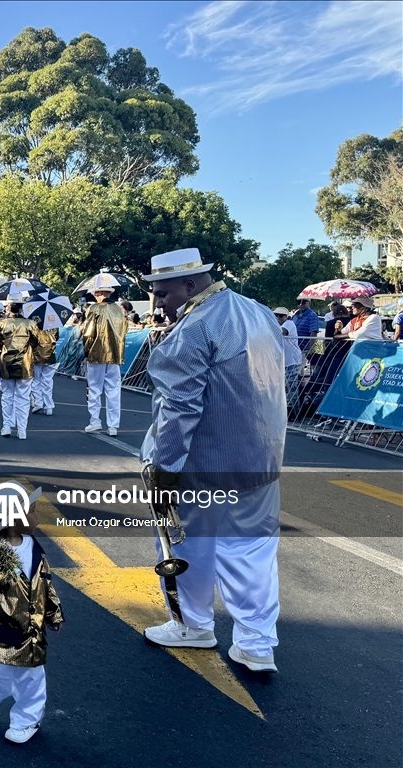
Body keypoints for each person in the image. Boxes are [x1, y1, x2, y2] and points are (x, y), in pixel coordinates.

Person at [141, 247, 286, 673]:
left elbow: (179, 410)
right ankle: (257, 645)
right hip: (261, 459)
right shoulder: (257, 311)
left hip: (203, 466)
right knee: (253, 553)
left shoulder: (193, 330)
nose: (158, 304)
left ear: (190, 284)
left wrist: (165, 471)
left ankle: (193, 626)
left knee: (187, 545)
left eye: (163, 294)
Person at [0, 503, 62, 744]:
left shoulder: (35, 547)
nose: (37, 517)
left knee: (31, 681)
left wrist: (53, 613)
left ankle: (25, 721)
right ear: (13, 518)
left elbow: (45, 583)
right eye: (32, 511)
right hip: (3, 629)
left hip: (33, 631)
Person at [0, 294, 41, 440]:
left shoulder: (1, 324)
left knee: (7, 396)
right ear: (22, 307)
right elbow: (36, 342)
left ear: (8, 306)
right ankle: (22, 430)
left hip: (6, 363)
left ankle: (6, 426)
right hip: (25, 364)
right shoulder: (31, 324)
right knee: (23, 398)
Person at [82, 286, 128, 436]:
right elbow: (125, 330)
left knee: (95, 388)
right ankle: (113, 425)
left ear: (99, 294)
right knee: (114, 389)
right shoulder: (120, 310)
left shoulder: (94, 309)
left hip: (96, 353)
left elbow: (88, 333)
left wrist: (86, 350)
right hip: (115, 353)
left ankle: (95, 420)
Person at [274, 307, 302, 415]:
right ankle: (284, 412)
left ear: (286, 317)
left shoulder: (289, 323)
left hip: (292, 361)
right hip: (282, 361)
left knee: (292, 388)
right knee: (282, 388)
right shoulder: (276, 326)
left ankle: (295, 413)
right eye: (276, 315)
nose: (278, 318)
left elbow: (283, 332)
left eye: (281, 316)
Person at [30, 316, 58, 416]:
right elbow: (56, 337)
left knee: (35, 380)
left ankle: (38, 402)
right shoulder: (54, 322)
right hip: (50, 355)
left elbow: (32, 340)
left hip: (37, 355)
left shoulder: (34, 323)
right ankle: (49, 405)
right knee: (48, 381)